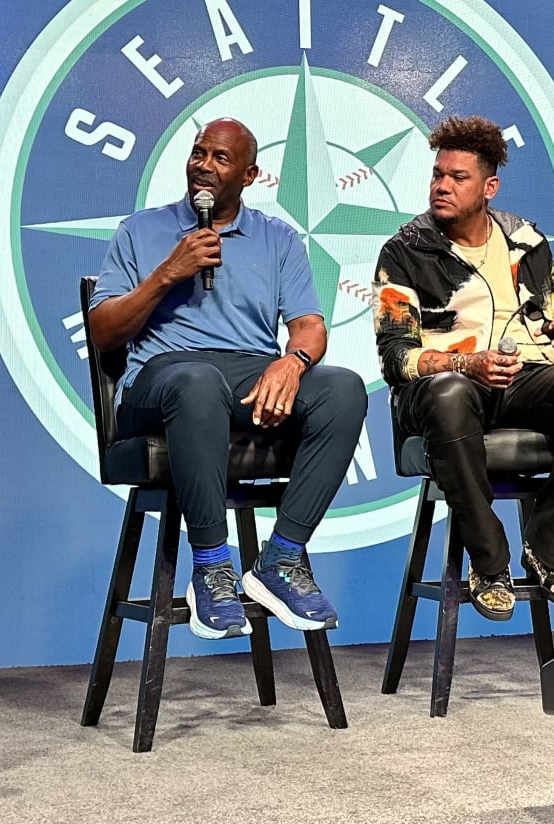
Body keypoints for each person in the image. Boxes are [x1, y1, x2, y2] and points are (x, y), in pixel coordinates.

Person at [89, 118, 366, 641]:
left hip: (247, 372)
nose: (204, 167)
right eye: (199, 153)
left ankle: (281, 560)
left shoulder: (279, 239)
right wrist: (167, 273)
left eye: (220, 158)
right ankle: (212, 566)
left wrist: (292, 363)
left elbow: (308, 325)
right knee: (198, 381)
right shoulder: (140, 231)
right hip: (163, 376)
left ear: (249, 174)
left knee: (343, 388)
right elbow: (104, 333)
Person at [372, 115, 554, 622]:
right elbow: (396, 357)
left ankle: (551, 547)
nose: (441, 185)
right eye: (437, 175)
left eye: (457, 177)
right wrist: (468, 362)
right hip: (444, 388)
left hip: (523, 376)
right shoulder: (404, 252)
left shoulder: (526, 241)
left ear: (489, 187)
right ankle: (489, 561)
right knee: (450, 393)